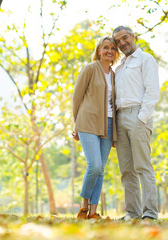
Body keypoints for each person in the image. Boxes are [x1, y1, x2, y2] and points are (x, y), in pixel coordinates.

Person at [112, 26, 160, 220]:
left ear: (133, 37)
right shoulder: (119, 67)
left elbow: (152, 90)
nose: (122, 43)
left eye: (125, 38)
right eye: (118, 41)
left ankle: (150, 213)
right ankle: (132, 213)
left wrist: (142, 118)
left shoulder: (145, 59)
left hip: (138, 115)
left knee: (143, 166)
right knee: (126, 170)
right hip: (120, 118)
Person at [72, 36, 120, 220]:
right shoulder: (90, 69)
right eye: (105, 47)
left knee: (101, 170)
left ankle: (93, 212)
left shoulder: (115, 75)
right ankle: (83, 205)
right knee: (94, 165)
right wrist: (76, 123)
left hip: (108, 124)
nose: (109, 51)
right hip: (88, 122)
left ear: (115, 53)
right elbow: (77, 97)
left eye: (113, 48)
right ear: (99, 50)